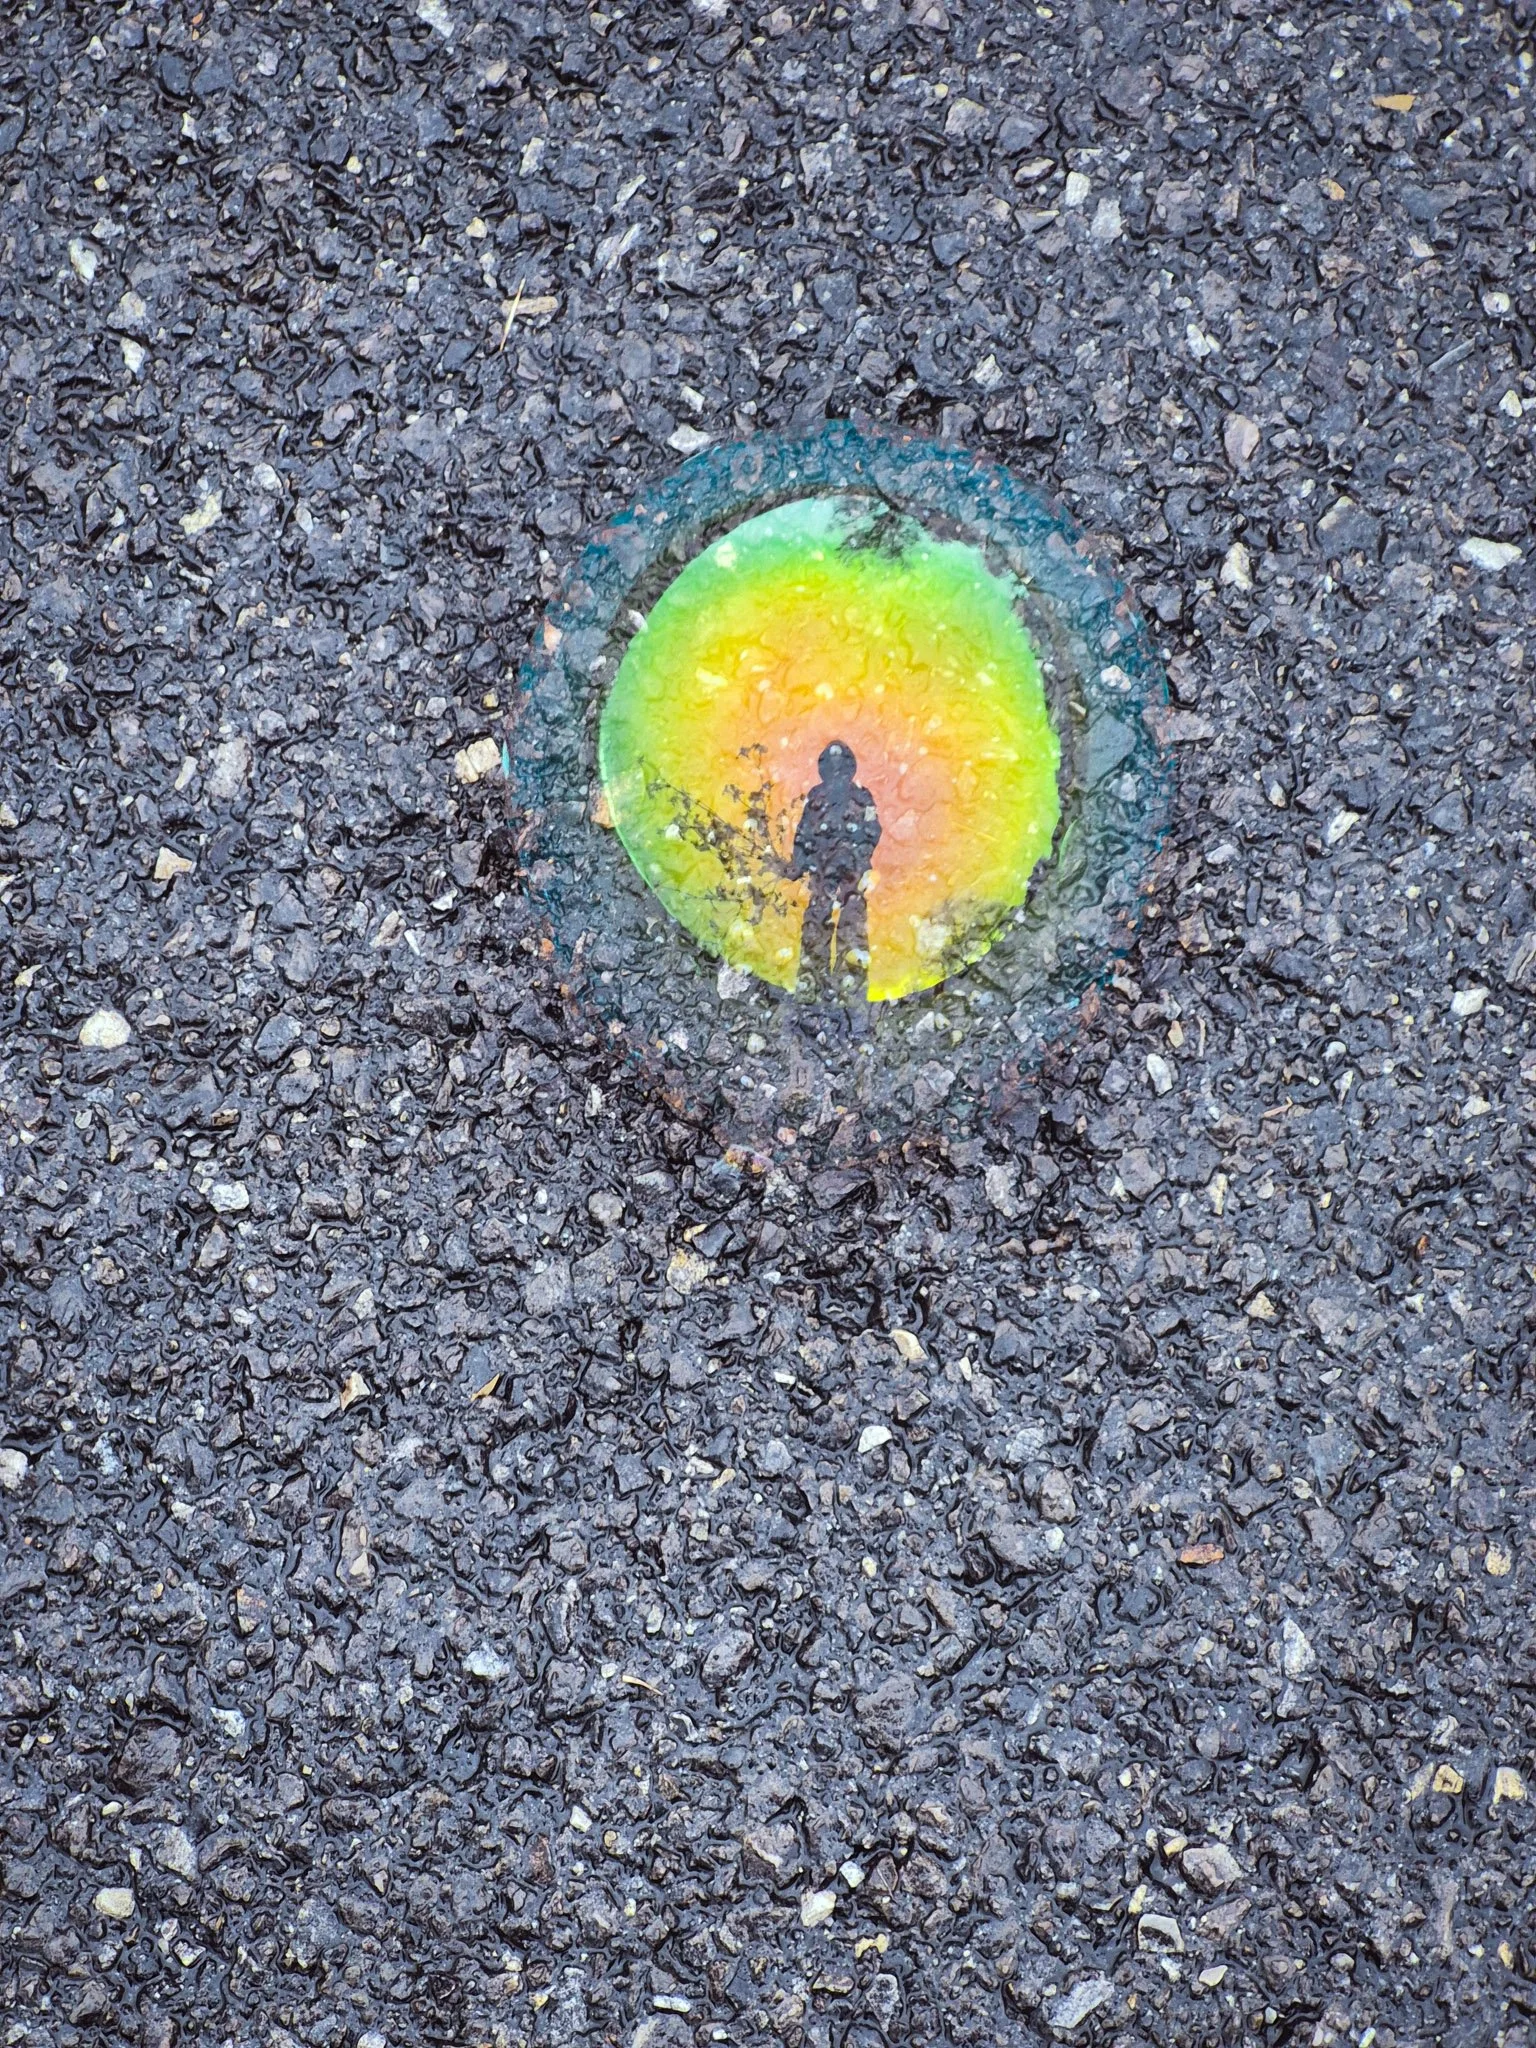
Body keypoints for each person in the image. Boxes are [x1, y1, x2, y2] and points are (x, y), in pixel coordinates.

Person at [788, 740, 881, 1001]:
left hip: (851, 870)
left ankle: (848, 980)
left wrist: (860, 855)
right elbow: (804, 831)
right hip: (823, 868)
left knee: (850, 921)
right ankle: (812, 977)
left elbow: (874, 830)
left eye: (841, 766)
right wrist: (799, 862)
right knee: (819, 919)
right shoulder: (818, 796)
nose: (837, 772)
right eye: (832, 767)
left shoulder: (861, 796)